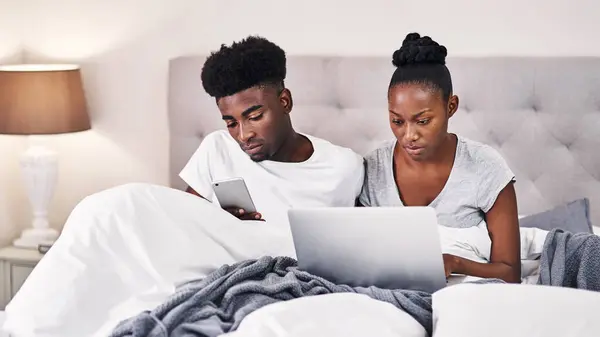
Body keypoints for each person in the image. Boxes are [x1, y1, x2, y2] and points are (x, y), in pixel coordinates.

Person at [359, 32, 522, 283]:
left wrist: (455, 263)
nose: (409, 135)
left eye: (423, 121)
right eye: (397, 121)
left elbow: (510, 272)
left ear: (451, 106)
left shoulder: (485, 167)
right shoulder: (372, 168)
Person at [180, 35, 365, 226]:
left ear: (284, 102)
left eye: (254, 117)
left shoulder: (344, 166)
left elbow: (361, 240)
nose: (243, 136)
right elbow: (185, 226)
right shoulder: (217, 148)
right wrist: (218, 223)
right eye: (231, 124)